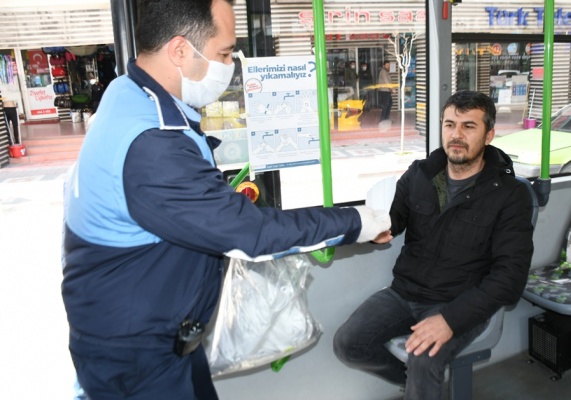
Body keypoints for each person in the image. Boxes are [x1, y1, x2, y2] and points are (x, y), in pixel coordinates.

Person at [61, 1, 390, 399]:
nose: (230, 64)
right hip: (136, 355)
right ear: (180, 50)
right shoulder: (151, 142)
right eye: (223, 53)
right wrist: (359, 221)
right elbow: (249, 234)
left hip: (152, 332)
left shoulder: (128, 94)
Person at [333, 90, 535, 400]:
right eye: (450, 124)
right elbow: (392, 218)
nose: (456, 134)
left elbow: (510, 280)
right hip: (405, 292)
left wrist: (450, 320)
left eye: (469, 126)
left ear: (489, 134)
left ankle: (422, 383)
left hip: (459, 301)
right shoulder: (419, 175)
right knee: (348, 344)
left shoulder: (509, 195)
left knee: (423, 360)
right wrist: (372, 229)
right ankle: (417, 385)